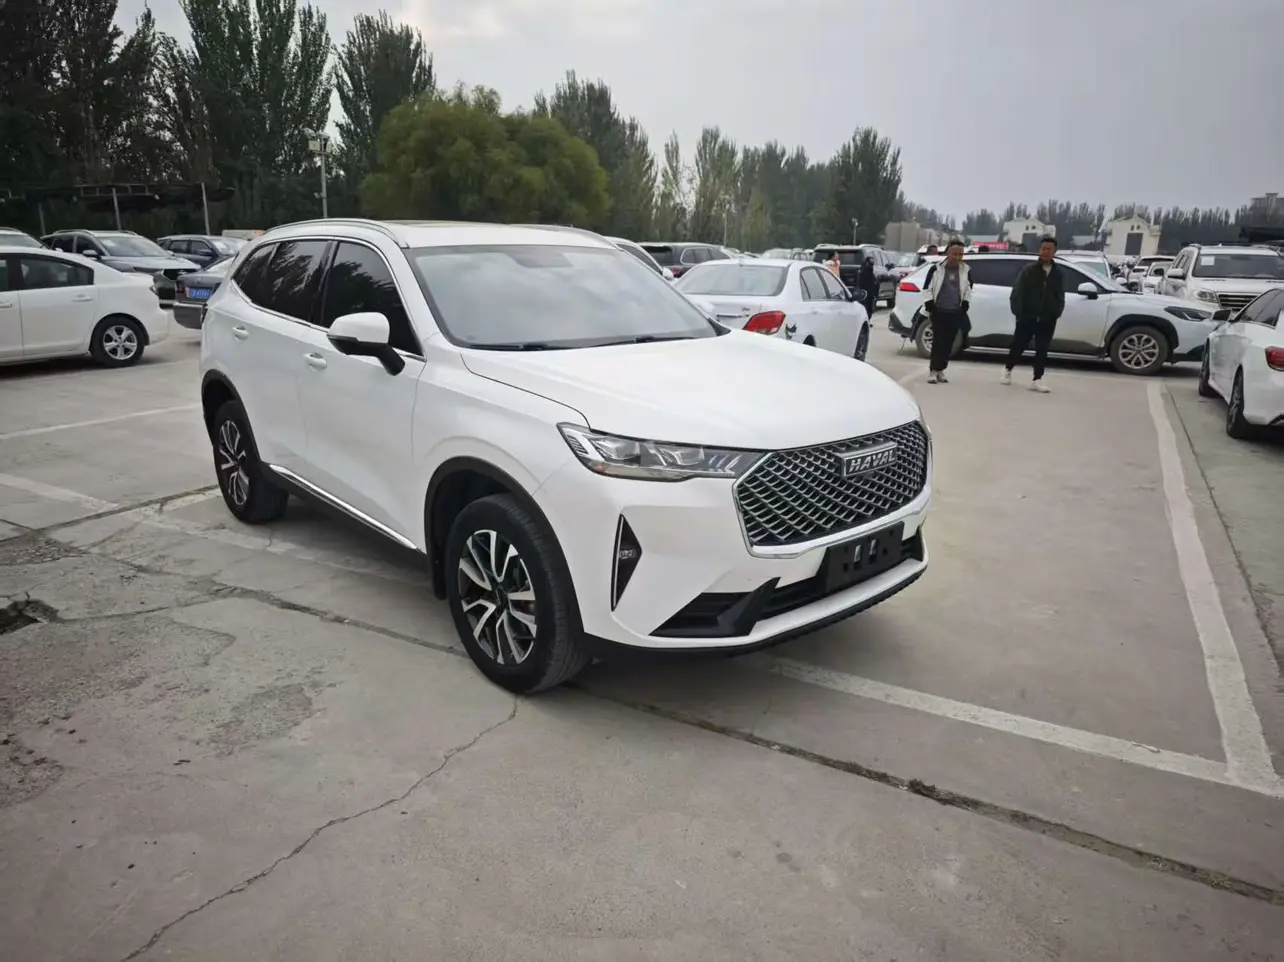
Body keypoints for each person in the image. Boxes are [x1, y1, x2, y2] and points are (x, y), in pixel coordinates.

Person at [1002, 236, 1065, 393]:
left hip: (1047, 318)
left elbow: (1060, 295)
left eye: (1049, 250)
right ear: (1039, 250)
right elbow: (1018, 292)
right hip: (1027, 316)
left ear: (1054, 252)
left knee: (1042, 349)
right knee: (1019, 345)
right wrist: (1019, 313)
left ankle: (1037, 379)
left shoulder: (1058, 273)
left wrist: (1056, 312)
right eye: (1043, 249)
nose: (1046, 252)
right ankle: (1008, 369)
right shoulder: (1029, 270)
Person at [921, 239, 971, 384]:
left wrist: (965, 303)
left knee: (949, 343)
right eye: (954, 254)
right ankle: (933, 370)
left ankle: (941, 369)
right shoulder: (936, 269)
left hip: (955, 311)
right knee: (938, 342)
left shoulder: (966, 270)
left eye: (960, 254)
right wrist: (930, 305)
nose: (957, 257)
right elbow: (926, 288)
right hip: (939, 310)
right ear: (948, 253)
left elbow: (968, 288)